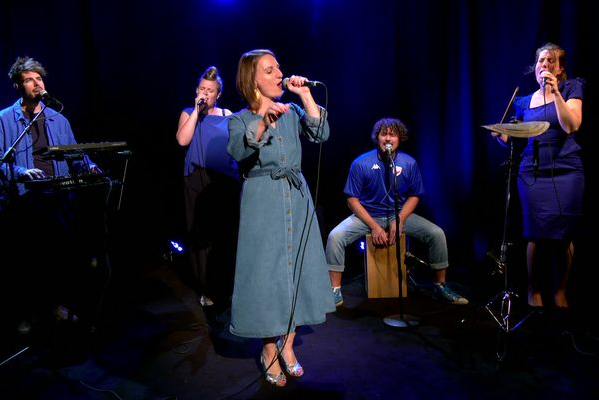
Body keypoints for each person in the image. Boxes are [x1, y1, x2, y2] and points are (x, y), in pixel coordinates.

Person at [227, 49, 335, 387]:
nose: (279, 74)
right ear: (253, 80)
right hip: (263, 201)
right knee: (267, 276)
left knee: (297, 271)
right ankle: (268, 349)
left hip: (297, 197)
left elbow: (321, 133)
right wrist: (263, 122)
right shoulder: (239, 119)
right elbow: (238, 151)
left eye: (279, 69)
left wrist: (305, 93)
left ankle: (288, 346)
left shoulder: (293, 111)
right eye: (270, 70)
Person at [0, 56, 102, 333]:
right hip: (22, 198)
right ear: (16, 86)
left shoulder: (58, 118)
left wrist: (89, 165)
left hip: (56, 197)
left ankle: (56, 307)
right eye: (29, 80)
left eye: (39, 79)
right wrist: (21, 171)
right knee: (26, 260)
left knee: (57, 257)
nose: (36, 84)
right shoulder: (4, 119)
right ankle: (27, 312)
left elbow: (75, 155)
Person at [325, 117, 468, 307]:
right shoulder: (361, 163)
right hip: (368, 215)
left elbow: (415, 195)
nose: (388, 138)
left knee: (437, 234)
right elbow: (352, 200)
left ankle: (440, 286)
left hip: (399, 214)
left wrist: (399, 220)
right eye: (384, 134)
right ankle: (334, 290)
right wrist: (374, 226)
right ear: (377, 138)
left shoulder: (409, 163)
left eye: (393, 135)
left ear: (400, 139)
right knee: (335, 237)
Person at [492, 43, 585, 309]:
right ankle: (533, 290)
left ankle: (560, 290)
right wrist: (500, 136)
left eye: (551, 61)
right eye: (541, 61)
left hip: (567, 171)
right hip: (532, 174)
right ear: (535, 68)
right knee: (534, 235)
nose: (544, 65)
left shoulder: (571, 88)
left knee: (564, 236)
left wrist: (555, 92)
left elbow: (571, 125)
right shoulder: (522, 101)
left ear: (560, 68)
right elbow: (512, 138)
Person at [175, 66, 239, 308]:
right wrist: (196, 111)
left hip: (223, 181)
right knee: (200, 235)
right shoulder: (188, 112)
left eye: (210, 90)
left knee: (224, 234)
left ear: (218, 94)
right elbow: (183, 140)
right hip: (195, 178)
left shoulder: (227, 114)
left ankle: (227, 287)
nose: (205, 93)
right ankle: (206, 289)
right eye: (202, 88)